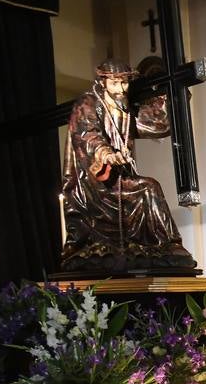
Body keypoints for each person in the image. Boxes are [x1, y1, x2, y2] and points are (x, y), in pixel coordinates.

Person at [60, 58, 194, 273]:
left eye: (125, 83)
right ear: (102, 82)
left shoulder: (123, 107)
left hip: (121, 178)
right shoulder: (87, 104)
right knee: (149, 187)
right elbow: (88, 136)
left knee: (148, 189)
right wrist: (107, 155)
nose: (121, 89)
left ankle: (166, 246)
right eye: (115, 83)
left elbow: (154, 123)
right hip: (94, 185)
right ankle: (167, 244)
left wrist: (171, 91)